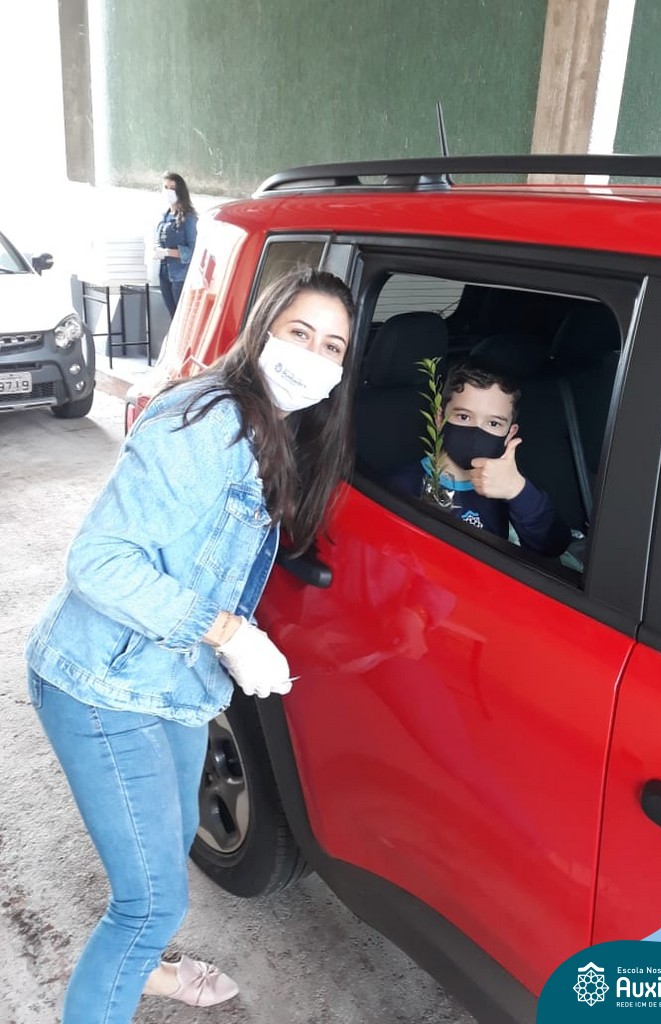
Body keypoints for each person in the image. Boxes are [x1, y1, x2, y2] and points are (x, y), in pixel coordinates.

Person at [24, 266, 356, 1024]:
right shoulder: (207, 421)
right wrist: (230, 633)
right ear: (264, 329)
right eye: (299, 333)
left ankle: (143, 964)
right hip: (99, 683)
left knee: (165, 849)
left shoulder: (279, 427)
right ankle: (133, 959)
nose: (312, 356)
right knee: (148, 903)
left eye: (332, 347)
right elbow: (98, 562)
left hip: (172, 684)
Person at [393, 361, 571, 557]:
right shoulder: (405, 486)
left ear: (510, 434)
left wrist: (517, 491)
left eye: (493, 423)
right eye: (463, 417)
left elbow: (554, 545)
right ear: (440, 419)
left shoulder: (506, 485)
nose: (476, 433)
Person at [154, 171, 198, 317]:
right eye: (165, 187)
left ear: (180, 191)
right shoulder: (164, 216)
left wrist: (168, 252)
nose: (168, 191)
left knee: (182, 317)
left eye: (172, 188)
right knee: (173, 316)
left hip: (180, 276)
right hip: (164, 273)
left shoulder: (189, 218)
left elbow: (192, 251)